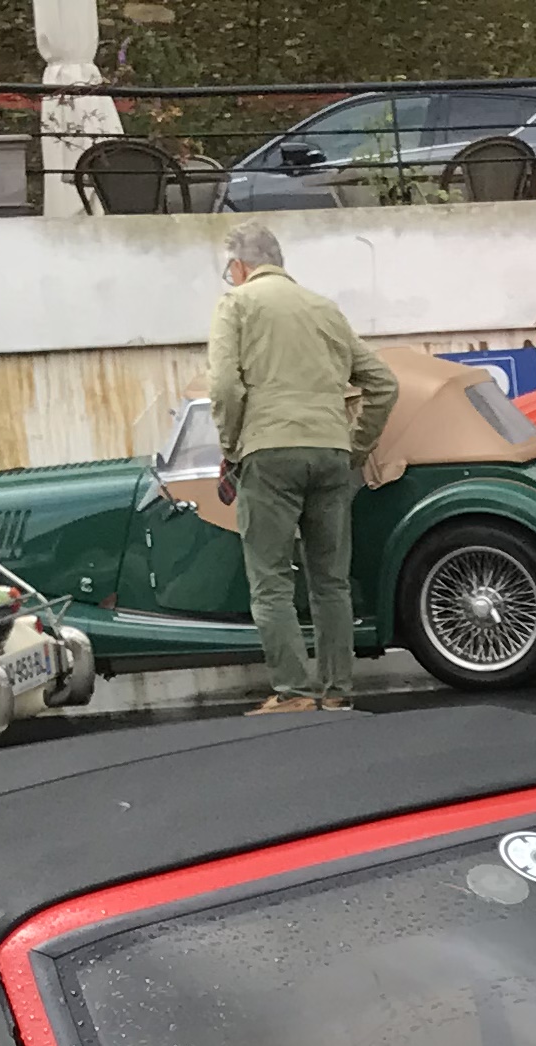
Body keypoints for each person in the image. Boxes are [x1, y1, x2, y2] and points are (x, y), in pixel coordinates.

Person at [204, 224, 397, 714]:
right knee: (331, 581)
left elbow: (224, 386)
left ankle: (292, 692)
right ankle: (336, 690)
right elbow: (384, 383)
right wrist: (355, 446)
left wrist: (232, 445)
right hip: (331, 452)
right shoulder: (324, 309)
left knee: (271, 580)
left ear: (239, 266)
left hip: (268, 452)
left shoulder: (237, 304)